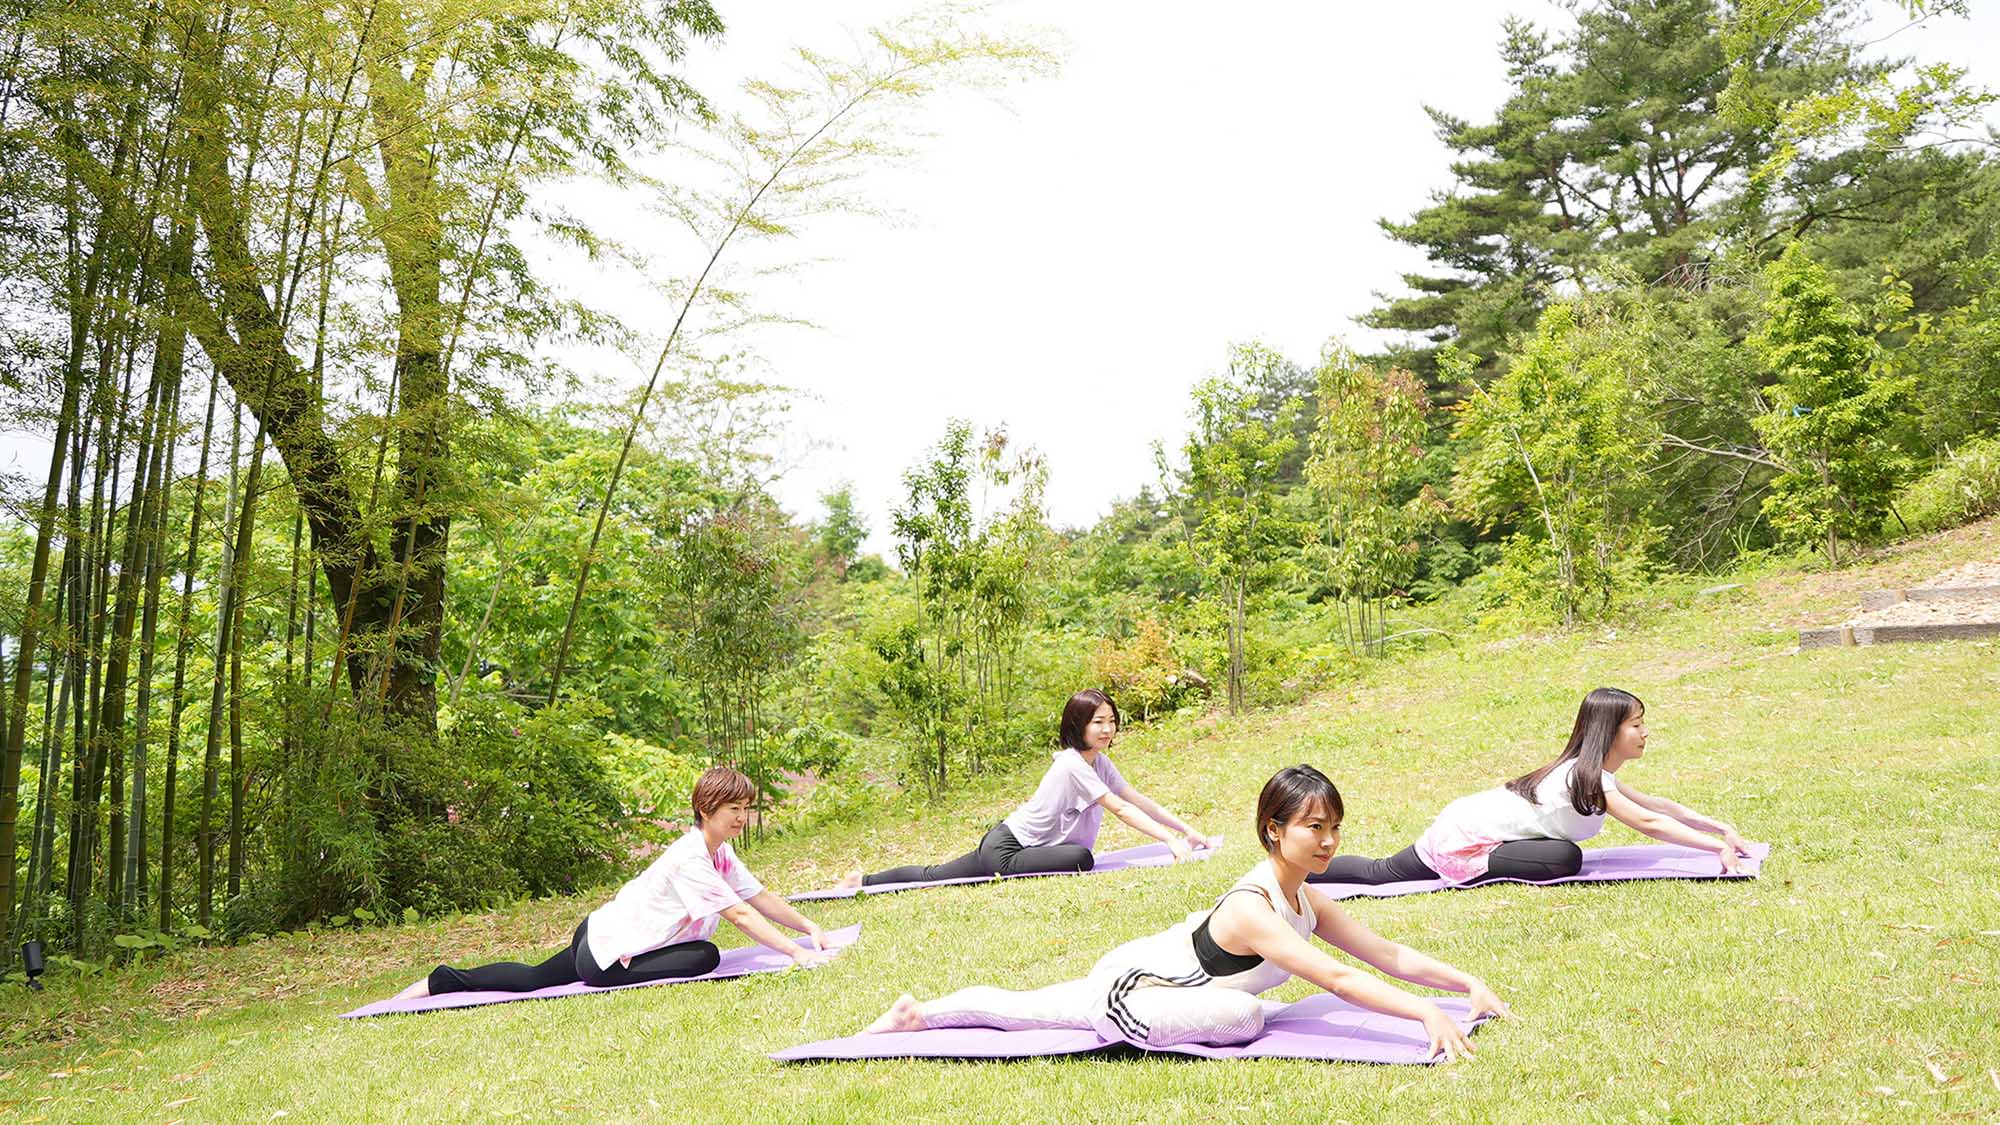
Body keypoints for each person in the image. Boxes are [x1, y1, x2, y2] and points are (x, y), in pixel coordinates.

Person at [862, 765, 1505, 1061]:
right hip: (1138, 987)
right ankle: (922, 1016)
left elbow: (1382, 954)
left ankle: (919, 1013)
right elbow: (1334, 980)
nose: (1329, 841)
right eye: (1314, 827)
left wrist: (1460, 984)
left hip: (1159, 975)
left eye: (1334, 826)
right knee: (1247, 1016)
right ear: (1273, 831)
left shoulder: (1307, 896)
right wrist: (1421, 1012)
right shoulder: (1255, 906)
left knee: (1029, 1004)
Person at [394, 766, 836, 1000]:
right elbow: (739, 914)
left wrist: (808, 929)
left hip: (600, 933)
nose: (741, 817)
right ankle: (442, 982)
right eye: (733, 809)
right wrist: (796, 955)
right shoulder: (690, 858)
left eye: (745, 808)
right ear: (706, 809)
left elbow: (757, 896)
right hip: (605, 957)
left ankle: (442, 981)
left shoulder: (717, 850)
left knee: (533, 978)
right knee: (705, 955)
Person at [1308, 687, 1753, 887]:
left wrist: (1720, 830)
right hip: (1463, 835)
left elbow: (1656, 805)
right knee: (1380, 873)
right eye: (1636, 725)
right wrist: (1712, 851)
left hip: (1469, 826)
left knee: (1561, 856)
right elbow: (1648, 823)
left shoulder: (1595, 771)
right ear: (1610, 731)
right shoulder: (1586, 774)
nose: (1645, 733)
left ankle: (1302, 872)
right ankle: (1297, 873)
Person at [835, 689, 1212, 891]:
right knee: (1080, 858)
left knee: (936, 875)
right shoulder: (1070, 763)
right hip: (1006, 849)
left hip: (1010, 845)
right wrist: (1169, 843)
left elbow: (1137, 799)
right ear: (1077, 724)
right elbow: (1120, 809)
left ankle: (861, 881)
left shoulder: (1097, 760)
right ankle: (864, 882)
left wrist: (1185, 832)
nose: (1107, 729)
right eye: (1098, 722)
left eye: (1111, 721)